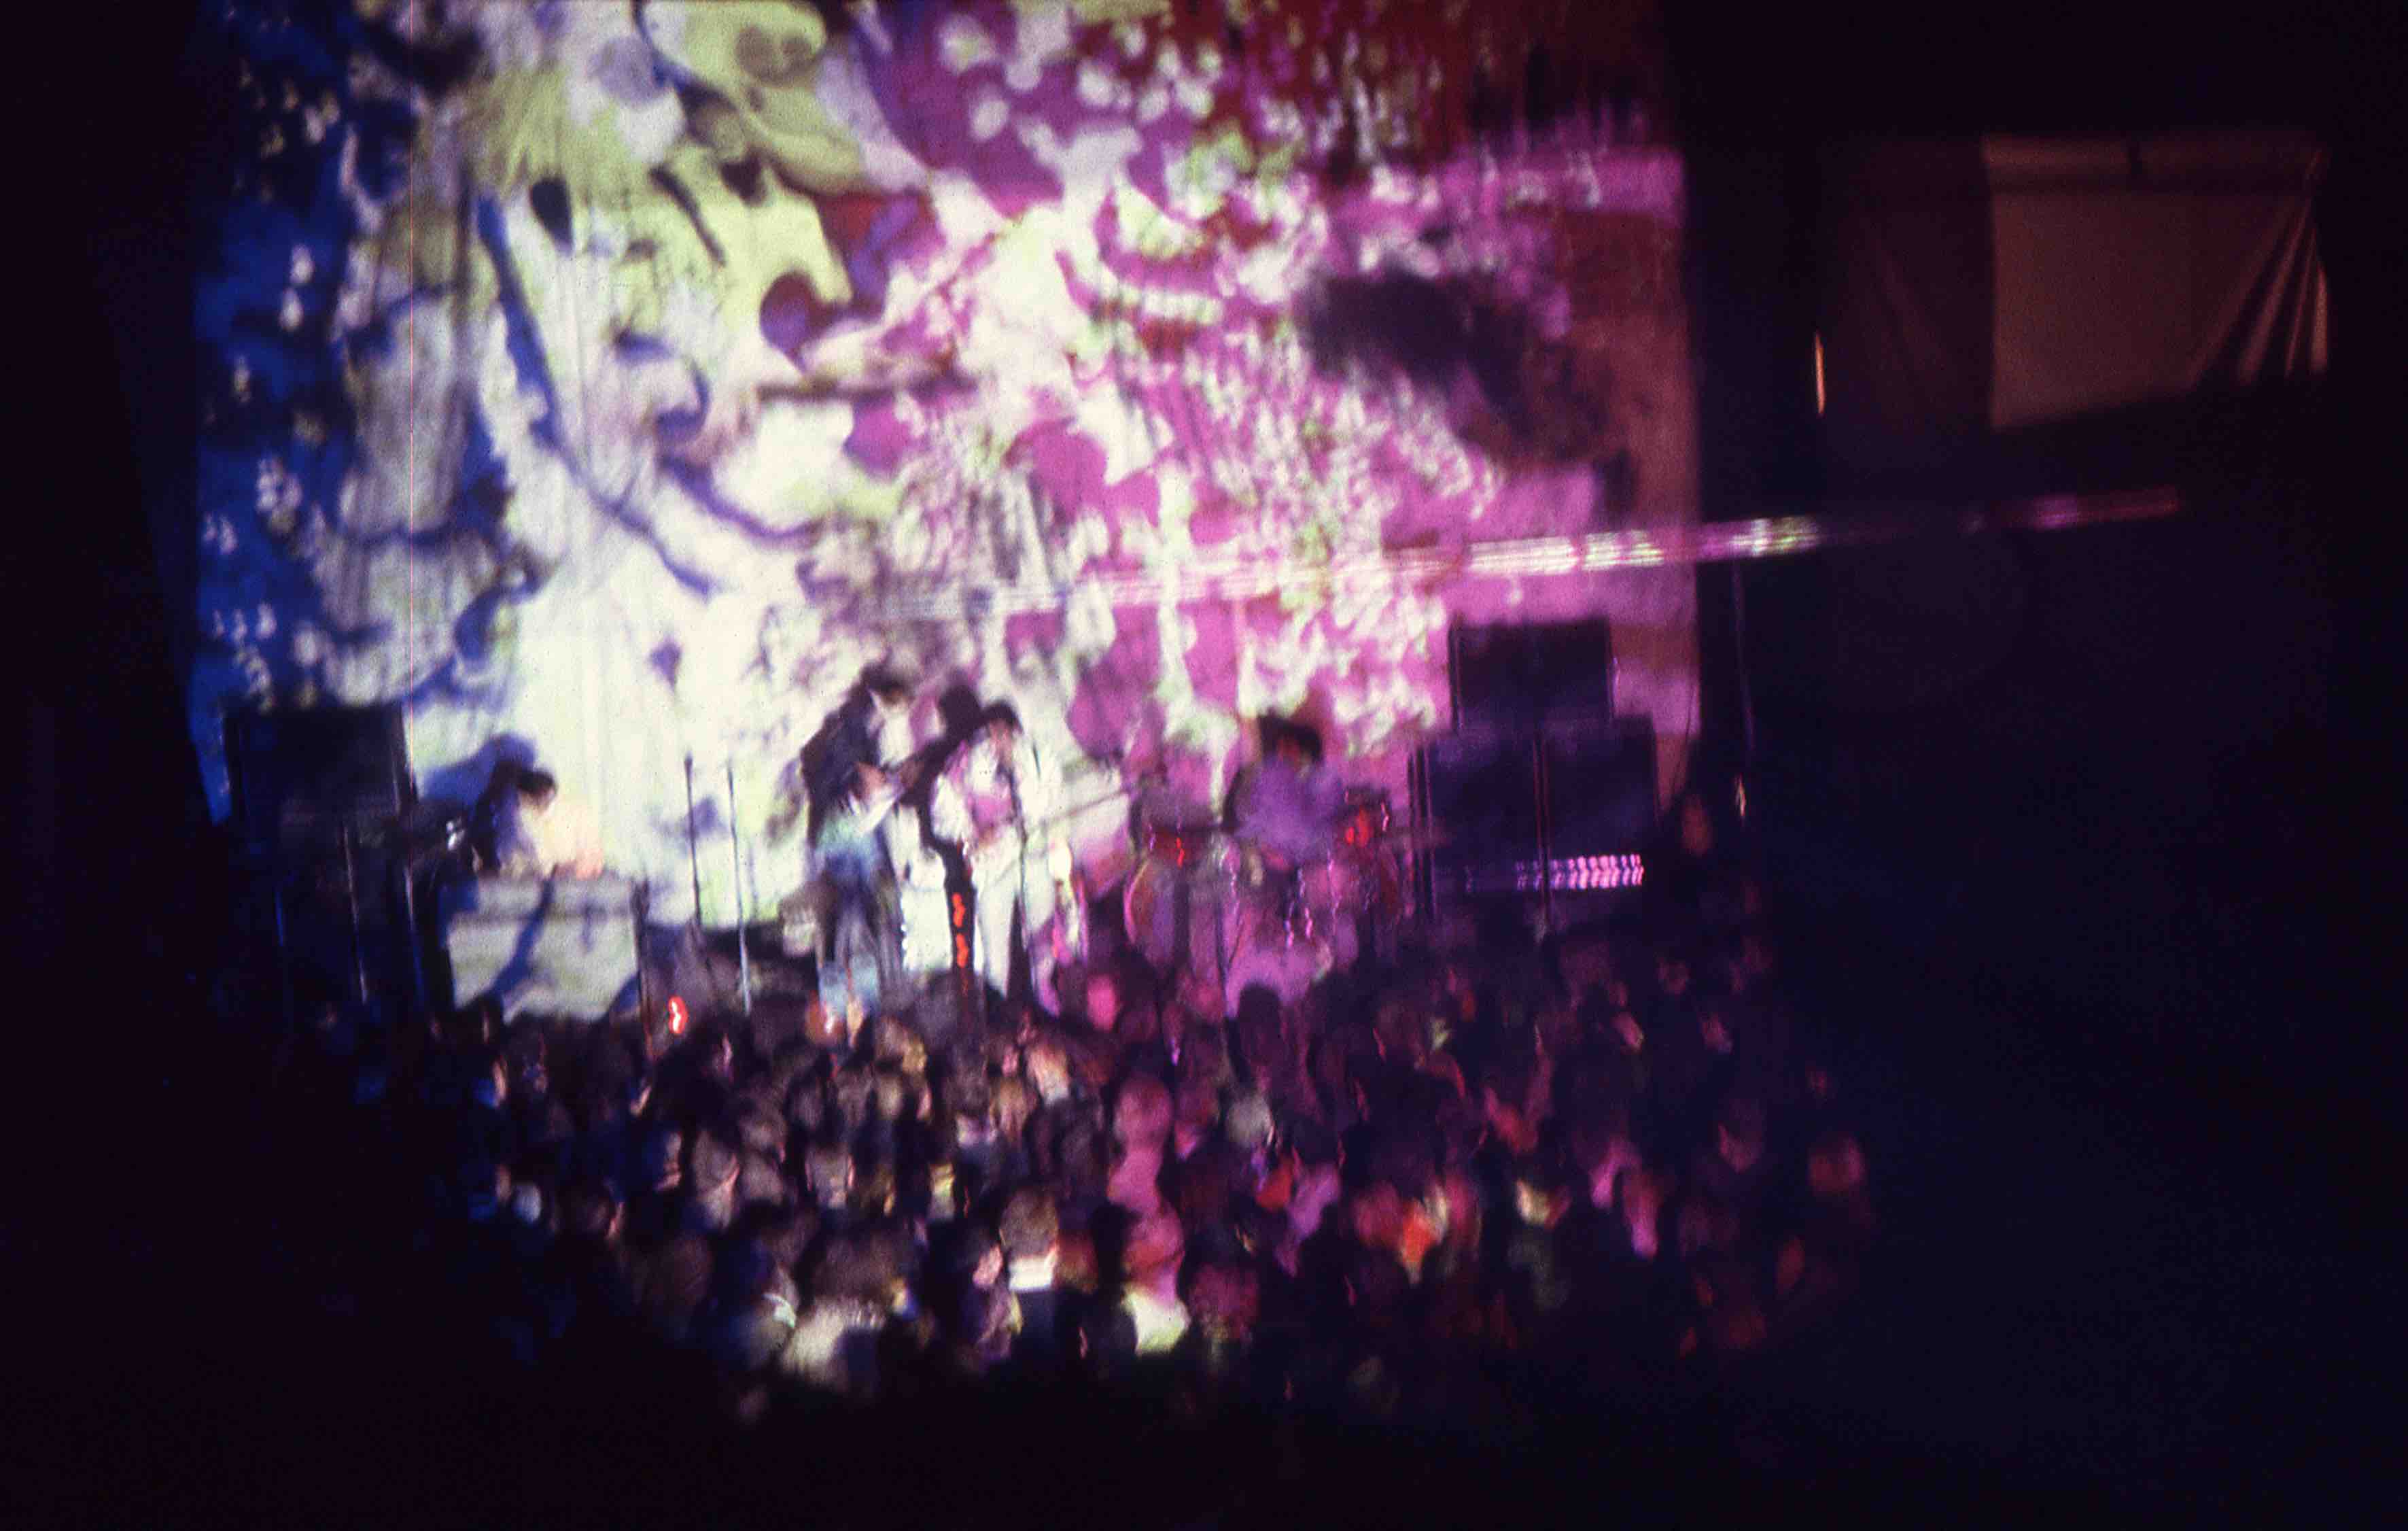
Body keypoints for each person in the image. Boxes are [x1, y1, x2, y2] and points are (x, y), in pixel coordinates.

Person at [930, 703, 1063, 1014]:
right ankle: (997, 1016)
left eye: (1002, 732)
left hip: (1034, 859)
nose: (996, 740)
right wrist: (972, 833)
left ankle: (1048, 1006)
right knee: (995, 954)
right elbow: (943, 810)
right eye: (990, 733)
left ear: (1014, 731)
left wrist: (1018, 777)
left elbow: (1052, 802)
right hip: (993, 867)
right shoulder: (968, 761)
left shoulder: (1038, 757)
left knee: (1042, 942)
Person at [494, 769, 605, 879]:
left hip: (579, 880)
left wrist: (576, 868)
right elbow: (511, 860)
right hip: (535, 881)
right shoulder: (519, 818)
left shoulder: (578, 812)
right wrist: (550, 869)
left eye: (547, 795)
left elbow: (594, 856)